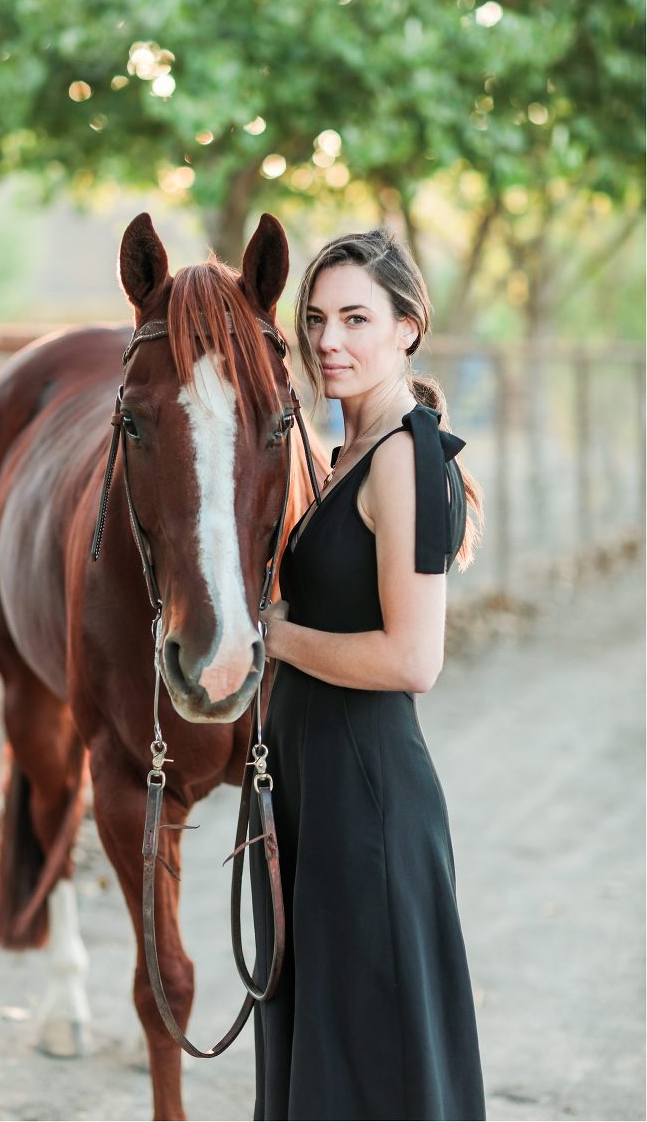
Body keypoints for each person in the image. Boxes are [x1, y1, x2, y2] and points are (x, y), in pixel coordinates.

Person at [251, 227, 486, 1122]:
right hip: (317, 803)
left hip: (369, 813)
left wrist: (277, 637)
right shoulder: (344, 454)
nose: (328, 341)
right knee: (328, 1065)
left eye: (356, 318)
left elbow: (412, 659)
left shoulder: (404, 455)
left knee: (368, 1077)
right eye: (315, 319)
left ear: (408, 329)